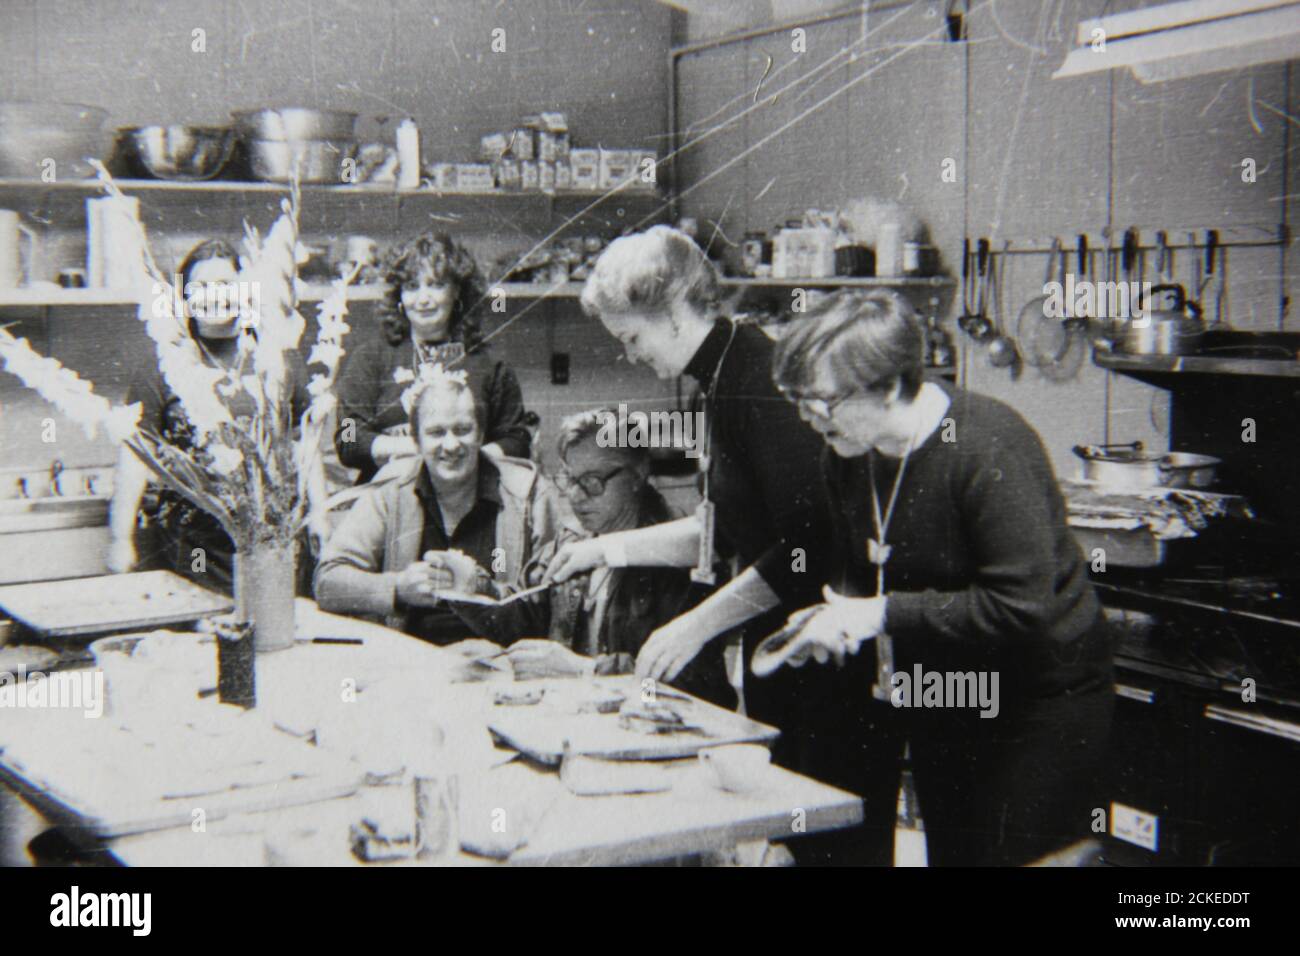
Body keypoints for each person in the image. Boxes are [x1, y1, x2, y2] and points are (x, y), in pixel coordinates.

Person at [767, 289, 1114, 866]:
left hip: (1037, 697)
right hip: (947, 687)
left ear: (891, 384)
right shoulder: (848, 454)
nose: (807, 417)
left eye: (821, 400)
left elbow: (1022, 606)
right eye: (796, 399)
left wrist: (877, 614)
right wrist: (833, 618)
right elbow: (865, 569)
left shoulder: (986, 447)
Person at [541, 225, 833, 760]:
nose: (630, 357)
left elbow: (805, 551)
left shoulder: (755, 379)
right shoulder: (720, 379)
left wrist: (693, 627)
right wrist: (597, 550)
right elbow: (716, 530)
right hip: (781, 649)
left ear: (673, 309)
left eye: (631, 339)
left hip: (823, 660)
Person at [107, 238, 309, 592]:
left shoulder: (276, 358)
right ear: (183, 297)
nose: (213, 297)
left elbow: (304, 445)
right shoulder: (162, 367)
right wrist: (119, 538)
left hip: (272, 541)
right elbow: (133, 458)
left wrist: (319, 514)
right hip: (192, 545)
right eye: (200, 288)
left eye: (225, 286)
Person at [314, 367, 567, 645]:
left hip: (503, 663)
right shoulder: (390, 490)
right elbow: (328, 581)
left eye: (463, 430)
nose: (450, 445)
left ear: (481, 434)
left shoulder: (530, 492)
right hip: (410, 662)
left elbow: (556, 602)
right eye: (436, 432)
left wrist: (482, 589)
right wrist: (397, 588)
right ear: (416, 441)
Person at [501, 407, 728, 703]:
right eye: (570, 479)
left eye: (593, 481)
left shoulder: (681, 558)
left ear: (638, 474)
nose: (576, 496)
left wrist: (586, 670)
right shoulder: (571, 543)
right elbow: (522, 615)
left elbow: (691, 688)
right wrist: (471, 590)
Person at [333, 231, 531, 485]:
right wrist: (425, 447)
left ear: (456, 292)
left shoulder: (490, 363)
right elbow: (347, 440)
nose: (423, 299)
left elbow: (517, 440)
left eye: (436, 285)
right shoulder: (368, 359)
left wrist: (464, 457)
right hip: (389, 502)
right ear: (400, 297)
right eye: (412, 287)